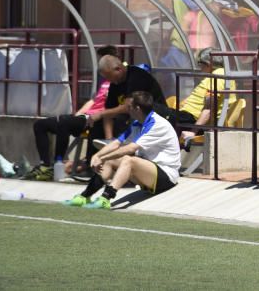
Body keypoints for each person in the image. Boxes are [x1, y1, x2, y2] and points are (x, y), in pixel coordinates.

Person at [63, 91, 180, 209]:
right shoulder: (137, 123)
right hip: (149, 172)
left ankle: (106, 198)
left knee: (128, 160)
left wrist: (102, 157)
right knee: (111, 160)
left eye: (129, 107)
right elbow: (116, 143)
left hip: (167, 176)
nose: (126, 110)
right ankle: (84, 197)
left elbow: (131, 148)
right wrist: (97, 156)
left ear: (137, 108)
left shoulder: (157, 124)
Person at [25, 46, 117, 181]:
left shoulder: (118, 81)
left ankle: (58, 162)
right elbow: (93, 100)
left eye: (104, 60)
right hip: (85, 116)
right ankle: (45, 165)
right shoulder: (103, 80)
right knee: (40, 125)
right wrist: (78, 114)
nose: (100, 64)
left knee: (64, 122)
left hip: (96, 119)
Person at [89, 55, 169, 140]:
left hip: (153, 113)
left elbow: (130, 106)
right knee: (97, 124)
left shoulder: (137, 76)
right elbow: (108, 111)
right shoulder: (115, 83)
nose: (109, 80)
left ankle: (125, 148)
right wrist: (109, 139)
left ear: (118, 69)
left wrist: (101, 114)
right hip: (132, 114)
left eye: (109, 76)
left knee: (126, 119)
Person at [173, 47, 237, 150]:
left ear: (208, 64)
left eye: (200, 64)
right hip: (188, 117)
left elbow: (208, 109)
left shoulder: (218, 76)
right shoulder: (218, 74)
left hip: (191, 118)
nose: (200, 68)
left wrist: (193, 132)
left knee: (155, 112)